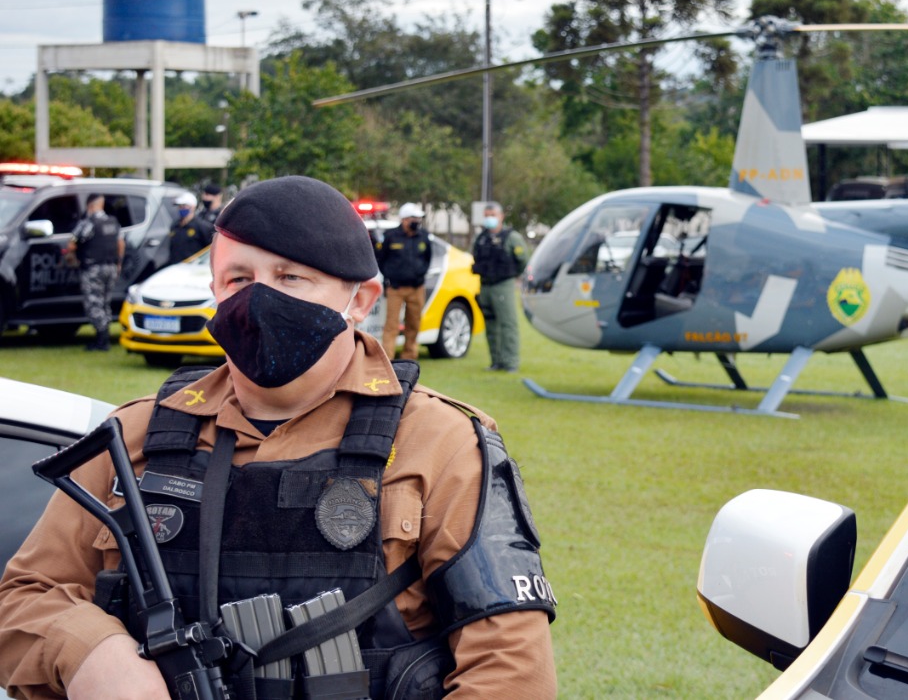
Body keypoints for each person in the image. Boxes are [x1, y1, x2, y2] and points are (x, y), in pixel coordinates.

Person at [0, 177, 557, 700]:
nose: (259, 299)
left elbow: (508, 664)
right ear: (216, 289)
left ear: (360, 300)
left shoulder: (441, 442)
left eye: (291, 277)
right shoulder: (136, 437)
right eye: (239, 279)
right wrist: (92, 652)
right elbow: (25, 598)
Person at [471, 202, 528, 372]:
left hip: (503, 285)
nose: (489, 218)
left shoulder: (511, 237)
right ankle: (496, 361)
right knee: (491, 325)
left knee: (508, 324)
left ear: (501, 216)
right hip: (485, 285)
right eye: (487, 215)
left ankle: (510, 362)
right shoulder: (480, 238)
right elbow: (475, 257)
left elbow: (523, 260)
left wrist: (512, 276)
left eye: (493, 215)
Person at [66, 193, 124, 352]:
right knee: (105, 302)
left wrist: (71, 257)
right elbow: (121, 243)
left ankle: (102, 339)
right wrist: (119, 263)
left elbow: (72, 244)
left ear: (90, 205)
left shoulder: (88, 223)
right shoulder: (113, 222)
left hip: (93, 268)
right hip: (111, 267)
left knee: (93, 303)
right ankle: (105, 336)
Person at [375, 202, 433, 359]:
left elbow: (428, 258)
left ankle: (409, 357)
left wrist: (420, 274)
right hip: (396, 287)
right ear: (404, 219)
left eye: (418, 218)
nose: (417, 221)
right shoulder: (391, 236)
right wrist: (390, 276)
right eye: (414, 218)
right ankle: (388, 358)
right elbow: (381, 259)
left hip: (416, 287)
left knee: (414, 324)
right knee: (391, 325)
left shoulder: (423, 236)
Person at [166, 191, 213, 265]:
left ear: (193, 207)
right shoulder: (175, 225)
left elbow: (210, 249)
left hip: (192, 268)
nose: (181, 208)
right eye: (180, 206)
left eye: (184, 206)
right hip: (175, 266)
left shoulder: (202, 226)